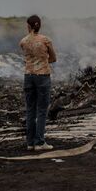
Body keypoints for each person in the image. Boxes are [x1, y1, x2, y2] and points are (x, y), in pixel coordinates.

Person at [19, 15, 57, 151]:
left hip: (28, 76)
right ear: (39, 25)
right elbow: (53, 58)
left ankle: (30, 143)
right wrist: (44, 61)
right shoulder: (45, 40)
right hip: (42, 76)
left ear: (28, 26)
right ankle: (40, 142)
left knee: (30, 110)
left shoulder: (23, 41)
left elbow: (27, 57)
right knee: (41, 110)